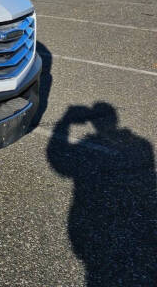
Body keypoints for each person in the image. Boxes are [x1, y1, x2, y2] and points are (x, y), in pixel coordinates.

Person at [47, 102, 156, 286]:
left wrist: (65, 121)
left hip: (97, 231)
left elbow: (60, 163)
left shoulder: (137, 145)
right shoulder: (142, 145)